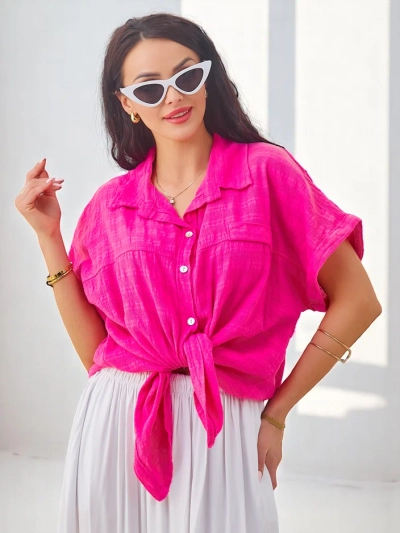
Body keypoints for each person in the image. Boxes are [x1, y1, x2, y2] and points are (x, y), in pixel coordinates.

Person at [14, 12, 382, 533]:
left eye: (187, 76)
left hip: (225, 430)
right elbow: (97, 355)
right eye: (150, 88)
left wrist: (277, 414)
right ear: (128, 104)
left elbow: (359, 301)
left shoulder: (268, 174)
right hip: (117, 425)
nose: (173, 97)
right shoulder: (110, 206)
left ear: (208, 79)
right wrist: (49, 238)